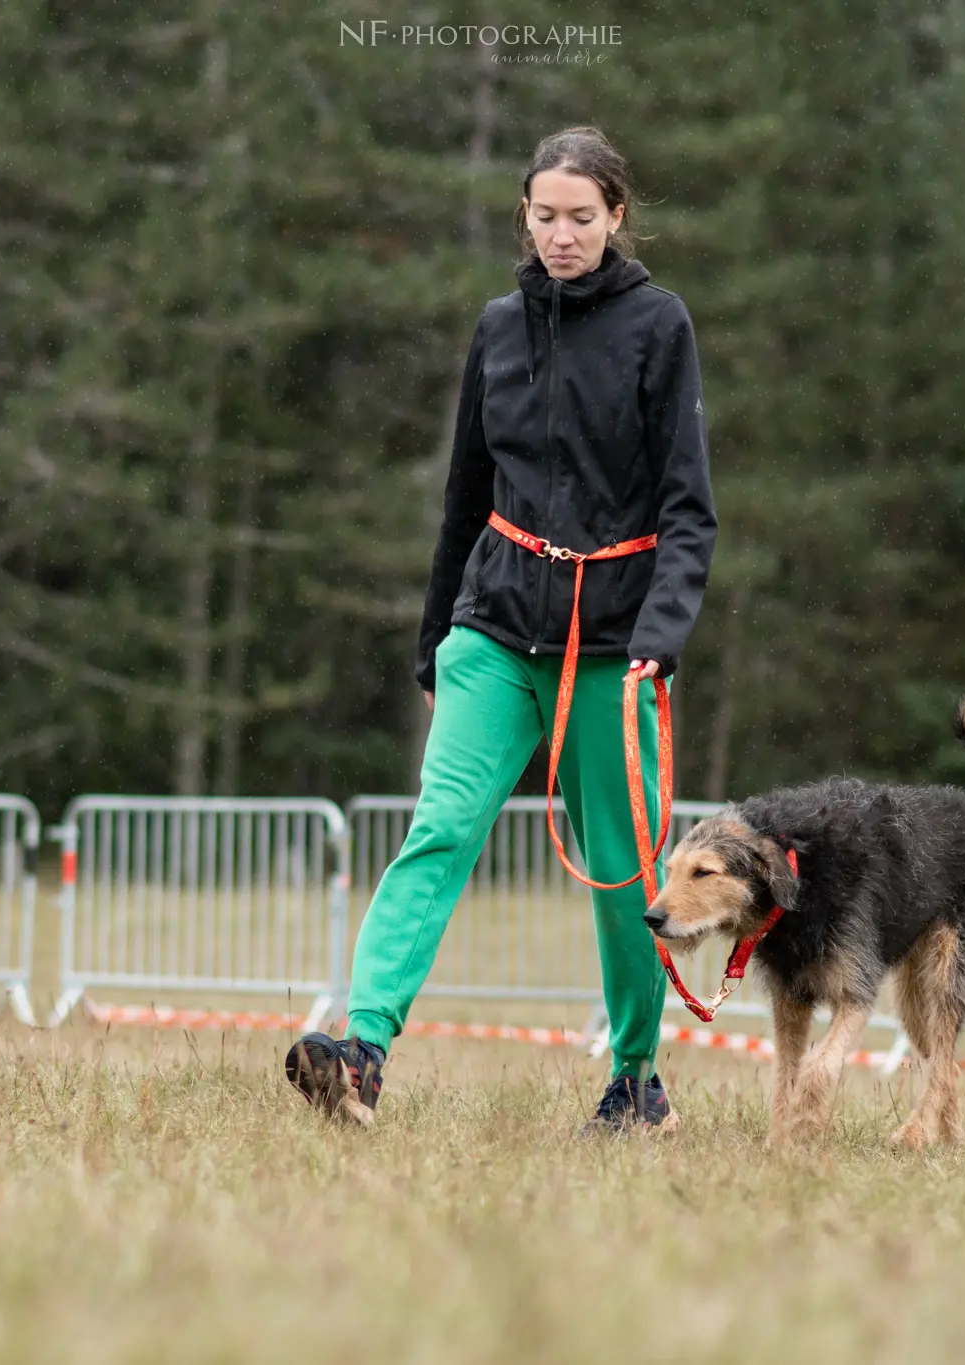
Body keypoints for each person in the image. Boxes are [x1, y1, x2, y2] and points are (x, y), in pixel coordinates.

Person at [286, 125, 716, 1133]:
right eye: (542, 216)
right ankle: (361, 1050)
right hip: (493, 629)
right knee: (436, 833)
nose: (559, 235)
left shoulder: (658, 326)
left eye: (579, 217)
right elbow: (462, 497)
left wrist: (662, 628)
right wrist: (435, 635)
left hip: (614, 647)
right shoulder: (498, 328)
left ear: (615, 216)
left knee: (625, 876)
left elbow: (687, 506)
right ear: (522, 217)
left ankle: (635, 1079)